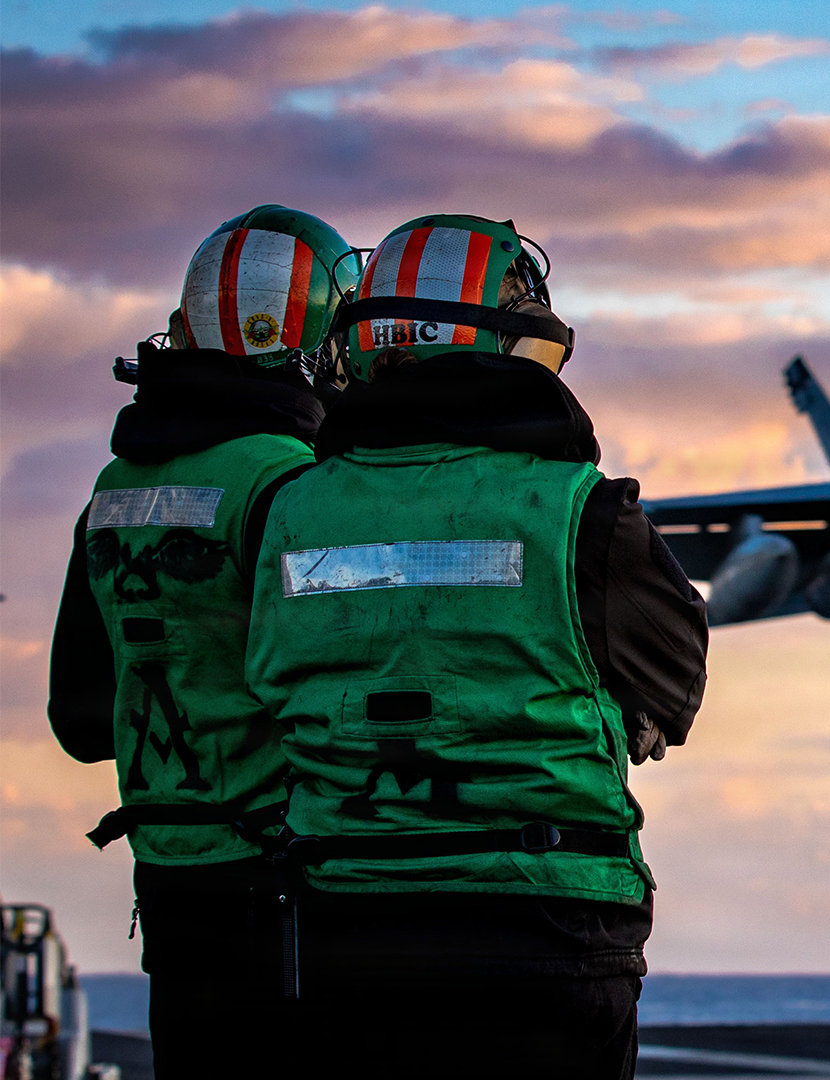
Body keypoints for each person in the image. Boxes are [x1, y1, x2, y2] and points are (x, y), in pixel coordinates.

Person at [246, 213, 707, 1079]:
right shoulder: (586, 511)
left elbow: (263, 686)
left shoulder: (285, 511)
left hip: (347, 924)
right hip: (550, 926)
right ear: (507, 343)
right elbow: (672, 691)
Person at [46, 205, 359, 1079]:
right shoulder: (293, 486)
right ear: (318, 343)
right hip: (295, 894)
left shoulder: (110, 492)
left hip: (171, 884)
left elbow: (79, 721)